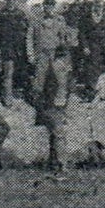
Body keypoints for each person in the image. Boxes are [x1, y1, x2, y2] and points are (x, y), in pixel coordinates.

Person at [33, 45, 75, 176]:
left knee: (54, 134)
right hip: (53, 105)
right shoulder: (55, 68)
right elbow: (41, 89)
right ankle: (62, 165)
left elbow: (68, 87)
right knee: (59, 133)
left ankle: (53, 162)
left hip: (58, 104)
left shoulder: (62, 69)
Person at [0, 0, 30, 104]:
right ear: (5, 0)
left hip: (20, 49)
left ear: (16, 1)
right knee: (8, 74)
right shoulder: (0, 14)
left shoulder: (20, 14)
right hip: (7, 49)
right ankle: (7, 98)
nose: (11, 1)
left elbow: (26, 31)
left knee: (20, 72)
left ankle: (19, 94)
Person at [28, 0, 75, 95]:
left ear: (54, 6)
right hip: (41, 53)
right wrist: (30, 54)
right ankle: (38, 100)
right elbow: (29, 38)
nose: (48, 6)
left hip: (56, 54)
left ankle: (60, 100)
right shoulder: (36, 20)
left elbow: (65, 37)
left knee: (60, 78)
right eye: (46, 4)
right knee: (39, 78)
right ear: (43, 5)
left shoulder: (60, 19)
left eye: (51, 4)